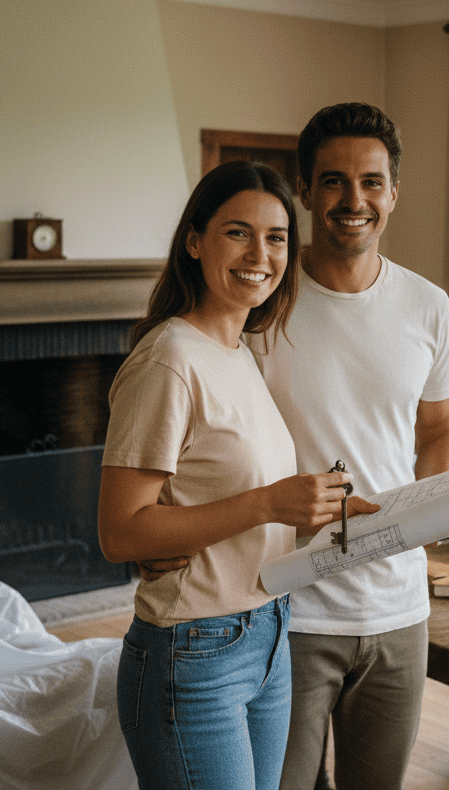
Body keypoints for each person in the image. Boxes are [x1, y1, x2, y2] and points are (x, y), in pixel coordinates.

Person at [97, 161, 375, 790]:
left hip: (270, 634)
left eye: (276, 237)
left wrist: (323, 508)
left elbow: (214, 497)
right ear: (194, 242)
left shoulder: (240, 351)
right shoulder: (169, 359)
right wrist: (268, 504)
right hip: (193, 651)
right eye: (238, 233)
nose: (261, 254)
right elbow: (120, 533)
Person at [254, 103, 449, 790]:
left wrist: (432, 515)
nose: (354, 200)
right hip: (288, 607)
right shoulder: (261, 307)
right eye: (335, 181)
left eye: (371, 182)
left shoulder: (429, 305)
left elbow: (438, 431)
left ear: (394, 194)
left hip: (400, 607)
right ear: (306, 191)